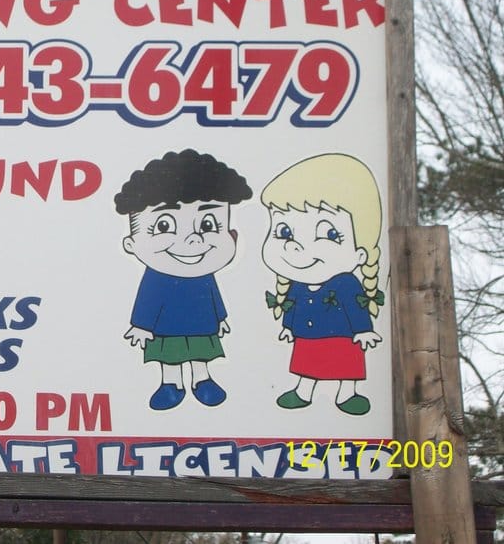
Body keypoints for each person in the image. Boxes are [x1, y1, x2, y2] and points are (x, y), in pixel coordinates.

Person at [115, 149, 252, 410]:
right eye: (164, 226)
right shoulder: (156, 276)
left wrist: (220, 317)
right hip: (166, 327)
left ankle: (203, 380)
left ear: (232, 235)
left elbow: (213, 295)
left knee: (202, 352)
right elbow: (147, 300)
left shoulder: (204, 273)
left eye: (209, 224)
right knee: (170, 355)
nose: (193, 240)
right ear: (132, 244)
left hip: (202, 322)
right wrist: (141, 326)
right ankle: (171, 384)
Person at [260, 153, 383, 415]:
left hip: (342, 337)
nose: (298, 246)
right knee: (307, 363)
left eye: (329, 234)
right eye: (285, 232)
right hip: (307, 335)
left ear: (360, 254)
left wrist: (363, 330)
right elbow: (291, 306)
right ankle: (303, 391)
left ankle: (347, 393)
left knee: (345, 365)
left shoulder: (347, 283)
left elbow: (356, 307)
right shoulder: (297, 283)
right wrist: (287, 327)